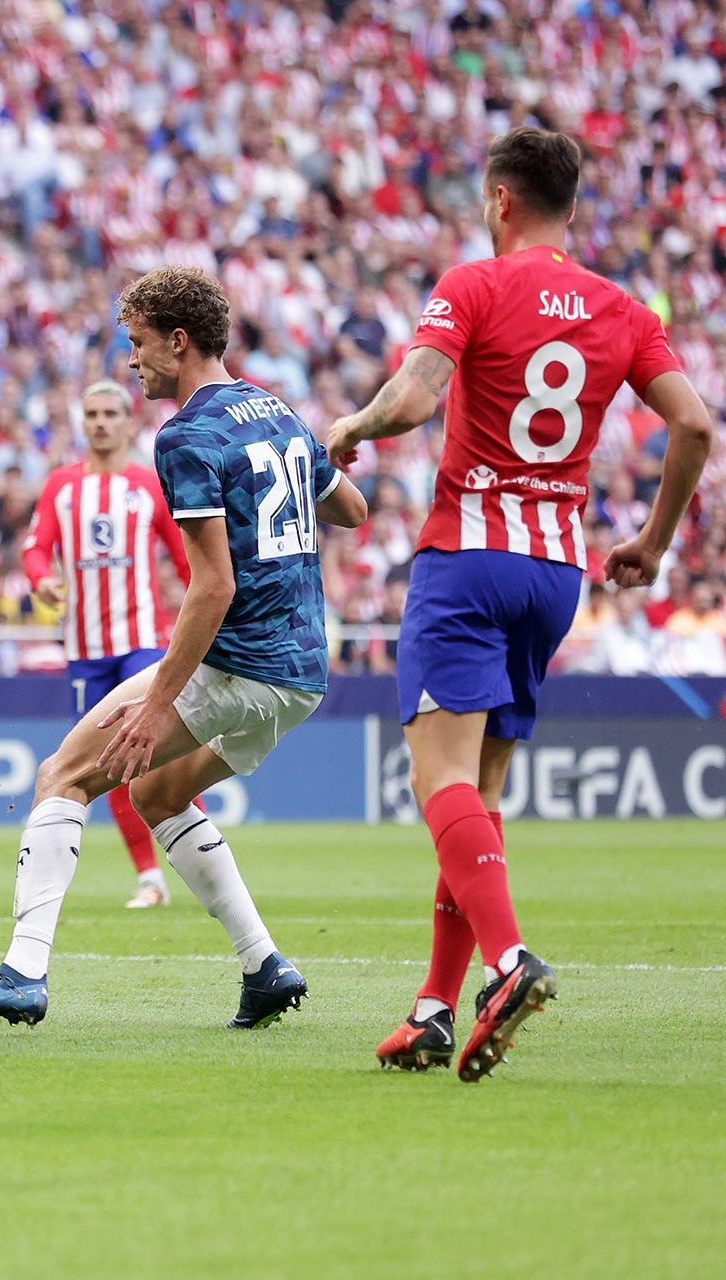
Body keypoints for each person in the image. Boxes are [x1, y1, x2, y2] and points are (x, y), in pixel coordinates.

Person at [327, 128, 713, 1081]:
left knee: (438, 782)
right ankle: (430, 1009)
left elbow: (416, 398)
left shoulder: (473, 285)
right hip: (554, 574)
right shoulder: (622, 310)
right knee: (482, 797)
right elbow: (696, 424)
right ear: (570, 206)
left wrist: (351, 426)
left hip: (467, 558)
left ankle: (506, 964)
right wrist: (655, 543)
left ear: (500, 200)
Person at [0, 268, 368, 1029]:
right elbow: (352, 509)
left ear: (178, 341)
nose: (133, 362)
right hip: (302, 674)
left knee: (62, 775)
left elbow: (213, 586)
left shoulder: (187, 435)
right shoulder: (280, 412)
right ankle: (263, 965)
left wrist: (156, 703)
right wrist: (304, 460)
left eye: (138, 344)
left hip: (239, 662)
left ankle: (23, 971)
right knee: (156, 794)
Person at [24, 381, 192, 908]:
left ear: (128, 420)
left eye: (110, 413)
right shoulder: (61, 486)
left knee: (158, 761)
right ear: (82, 421)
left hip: (143, 643)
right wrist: (41, 580)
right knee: (107, 765)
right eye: (91, 413)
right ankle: (151, 878)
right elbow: (35, 548)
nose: (100, 422)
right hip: (85, 649)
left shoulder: (148, 484)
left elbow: (190, 560)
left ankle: (197, 862)